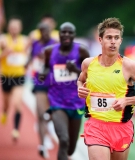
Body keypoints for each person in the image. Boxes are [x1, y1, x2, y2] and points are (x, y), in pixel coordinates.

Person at [77, 18, 135, 160]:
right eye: (109, 37)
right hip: (96, 125)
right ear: (100, 40)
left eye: (116, 38)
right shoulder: (88, 64)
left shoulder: (129, 66)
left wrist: (127, 100)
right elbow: (80, 80)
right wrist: (79, 88)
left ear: (120, 40)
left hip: (121, 127)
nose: (113, 41)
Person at [42, 22, 89, 160]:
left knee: (70, 148)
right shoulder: (49, 51)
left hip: (76, 103)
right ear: (59, 34)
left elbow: (92, 73)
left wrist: (75, 70)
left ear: (74, 35)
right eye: (64, 32)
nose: (66, 35)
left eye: (70, 32)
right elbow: (45, 67)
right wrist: (43, 73)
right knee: (63, 139)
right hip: (57, 101)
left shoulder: (82, 51)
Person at [0, 17, 29, 141]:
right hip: (6, 77)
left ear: (20, 28)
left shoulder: (24, 40)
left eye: (16, 27)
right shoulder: (3, 40)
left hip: (19, 77)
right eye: (12, 27)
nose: (14, 29)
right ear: (8, 28)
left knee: (17, 103)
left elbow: (30, 55)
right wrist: (5, 53)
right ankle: (4, 112)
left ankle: (15, 130)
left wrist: (27, 64)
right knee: (6, 105)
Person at [27, 23, 57, 158]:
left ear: (50, 31)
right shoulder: (35, 44)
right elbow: (30, 57)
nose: (44, 33)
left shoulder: (55, 43)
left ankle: (48, 123)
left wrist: (48, 60)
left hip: (54, 83)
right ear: (39, 32)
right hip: (39, 82)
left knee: (51, 114)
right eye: (42, 31)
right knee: (40, 113)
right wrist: (26, 64)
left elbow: (61, 60)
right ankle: (42, 145)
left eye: (47, 31)